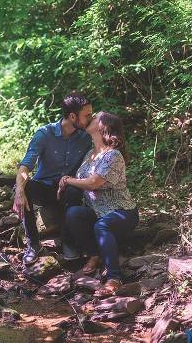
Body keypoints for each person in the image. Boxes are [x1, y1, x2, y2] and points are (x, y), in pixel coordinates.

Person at [58, 111, 138, 296]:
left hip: (122, 212)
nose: (90, 118)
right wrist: (64, 182)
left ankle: (113, 279)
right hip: (98, 211)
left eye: (95, 117)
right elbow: (80, 180)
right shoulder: (90, 155)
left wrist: (67, 180)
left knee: (102, 226)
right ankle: (94, 254)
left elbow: (93, 182)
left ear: (104, 127)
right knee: (73, 214)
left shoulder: (113, 155)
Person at [13, 93, 94, 265]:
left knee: (73, 190)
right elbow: (27, 164)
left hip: (67, 189)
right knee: (25, 188)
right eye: (87, 115)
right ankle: (33, 245)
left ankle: (68, 242)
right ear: (72, 116)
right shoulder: (44, 134)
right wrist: (19, 189)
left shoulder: (86, 137)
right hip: (44, 189)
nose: (91, 118)